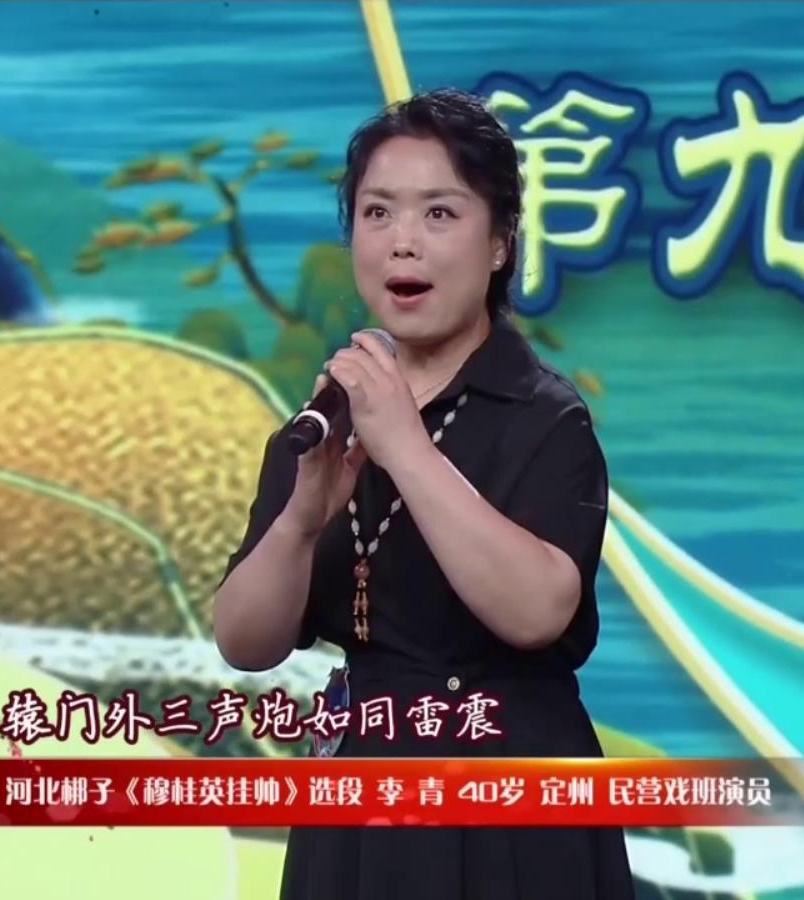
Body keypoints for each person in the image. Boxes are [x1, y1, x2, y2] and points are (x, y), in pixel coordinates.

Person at [212, 87, 636, 900]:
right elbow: (244, 641)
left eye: (439, 213)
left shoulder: (545, 417)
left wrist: (403, 444)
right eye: (377, 213)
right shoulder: (325, 419)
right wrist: (300, 521)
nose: (402, 242)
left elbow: (537, 611)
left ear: (500, 243)